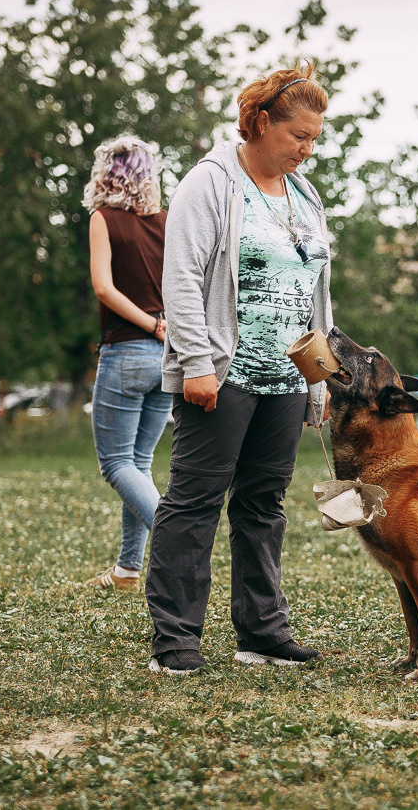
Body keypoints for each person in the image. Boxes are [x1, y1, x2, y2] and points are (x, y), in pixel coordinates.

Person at [145, 64, 334, 675]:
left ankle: (262, 633)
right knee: (194, 501)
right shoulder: (210, 183)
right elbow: (180, 279)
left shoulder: (304, 195)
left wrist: (319, 375)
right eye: (297, 136)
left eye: (314, 139)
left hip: (284, 380)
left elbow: (316, 291)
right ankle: (176, 638)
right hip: (222, 376)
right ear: (259, 123)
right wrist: (197, 363)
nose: (307, 150)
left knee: (263, 504)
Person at [81, 135, 172, 592]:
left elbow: (104, 289)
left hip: (127, 352)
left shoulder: (103, 218)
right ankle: (127, 571)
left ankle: (175, 546)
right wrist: (166, 328)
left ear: (107, 173)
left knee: (116, 465)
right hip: (166, 360)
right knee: (138, 464)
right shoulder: (167, 221)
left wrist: (151, 326)